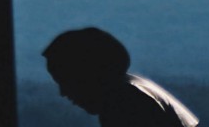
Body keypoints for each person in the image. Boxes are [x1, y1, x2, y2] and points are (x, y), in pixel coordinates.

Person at [42, 27, 200, 127]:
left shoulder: (124, 108)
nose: (63, 93)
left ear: (91, 77)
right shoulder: (137, 89)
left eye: (67, 82)